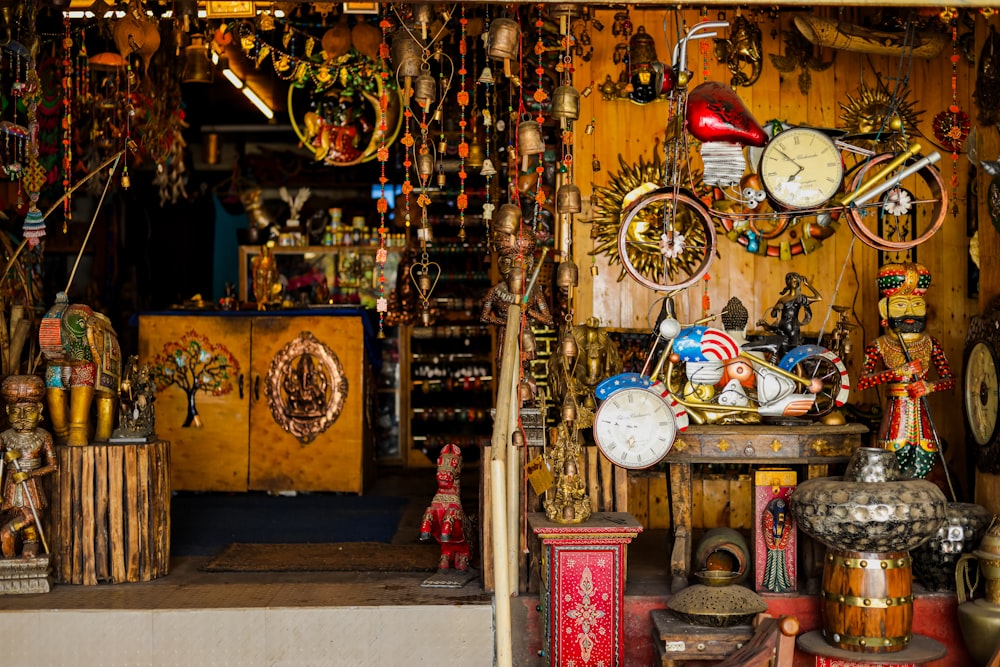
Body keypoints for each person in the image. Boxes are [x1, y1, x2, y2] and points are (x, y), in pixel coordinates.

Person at [856, 262, 954, 479]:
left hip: (923, 419)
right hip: (894, 420)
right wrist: (896, 372)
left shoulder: (931, 343)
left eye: (917, 304)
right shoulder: (879, 345)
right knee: (893, 473)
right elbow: (863, 382)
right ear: (885, 310)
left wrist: (929, 386)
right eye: (900, 305)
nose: (910, 311)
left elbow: (949, 379)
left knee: (922, 469)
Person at [0, 375, 57, 559]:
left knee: (31, 517)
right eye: (16, 412)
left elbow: (53, 466)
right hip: (11, 485)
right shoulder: (5, 436)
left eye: (29, 411)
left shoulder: (43, 436)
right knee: (18, 519)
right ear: (8, 411)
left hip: (31, 487)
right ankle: (12, 553)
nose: (22, 417)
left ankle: (15, 535)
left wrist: (30, 474)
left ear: (39, 410)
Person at [757, 272, 821, 357]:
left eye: (796, 281)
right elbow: (773, 314)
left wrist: (808, 285)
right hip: (781, 330)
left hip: (793, 330)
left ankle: (799, 370)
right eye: (792, 280)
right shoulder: (782, 299)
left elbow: (818, 298)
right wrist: (776, 308)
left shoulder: (800, 298)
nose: (794, 282)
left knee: (795, 356)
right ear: (787, 282)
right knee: (783, 356)